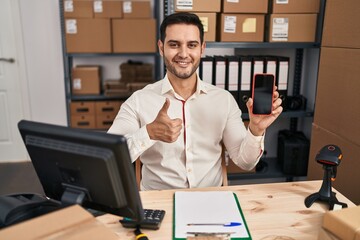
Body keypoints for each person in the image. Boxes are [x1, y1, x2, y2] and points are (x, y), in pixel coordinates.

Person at [108, 12, 283, 190]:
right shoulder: (139, 101)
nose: (183, 54)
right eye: (174, 45)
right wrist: (149, 133)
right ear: (161, 48)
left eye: (191, 45)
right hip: (158, 201)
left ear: (202, 48)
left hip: (210, 199)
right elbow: (109, 157)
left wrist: (256, 129)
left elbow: (245, 163)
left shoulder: (224, 100)